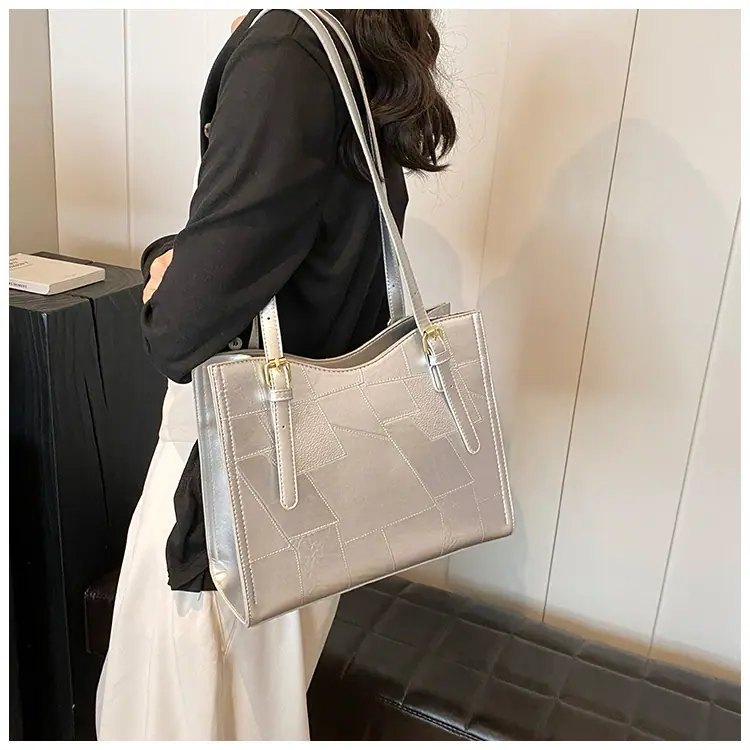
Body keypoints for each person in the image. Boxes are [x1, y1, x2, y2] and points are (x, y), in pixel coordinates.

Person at [96, 9, 456, 741]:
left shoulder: (286, 51)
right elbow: (315, 256)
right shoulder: (352, 48)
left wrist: (164, 264)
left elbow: (179, 333)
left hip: (236, 497)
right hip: (310, 491)